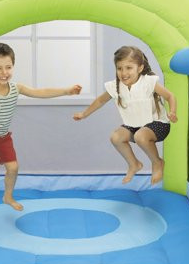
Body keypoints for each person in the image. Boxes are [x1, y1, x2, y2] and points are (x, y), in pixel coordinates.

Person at [0, 42, 82, 215]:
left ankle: (8, 197)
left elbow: (40, 92)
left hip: (2, 137)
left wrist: (66, 91)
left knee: (13, 168)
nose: (4, 73)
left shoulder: (16, 88)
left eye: (8, 67)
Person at [73, 45, 177, 185]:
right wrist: (84, 114)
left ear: (140, 68)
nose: (123, 73)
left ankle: (157, 162)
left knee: (140, 136)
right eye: (119, 68)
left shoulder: (148, 82)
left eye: (129, 68)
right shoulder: (116, 86)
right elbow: (100, 100)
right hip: (134, 126)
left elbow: (170, 96)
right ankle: (134, 164)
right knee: (116, 137)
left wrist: (172, 112)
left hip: (158, 125)